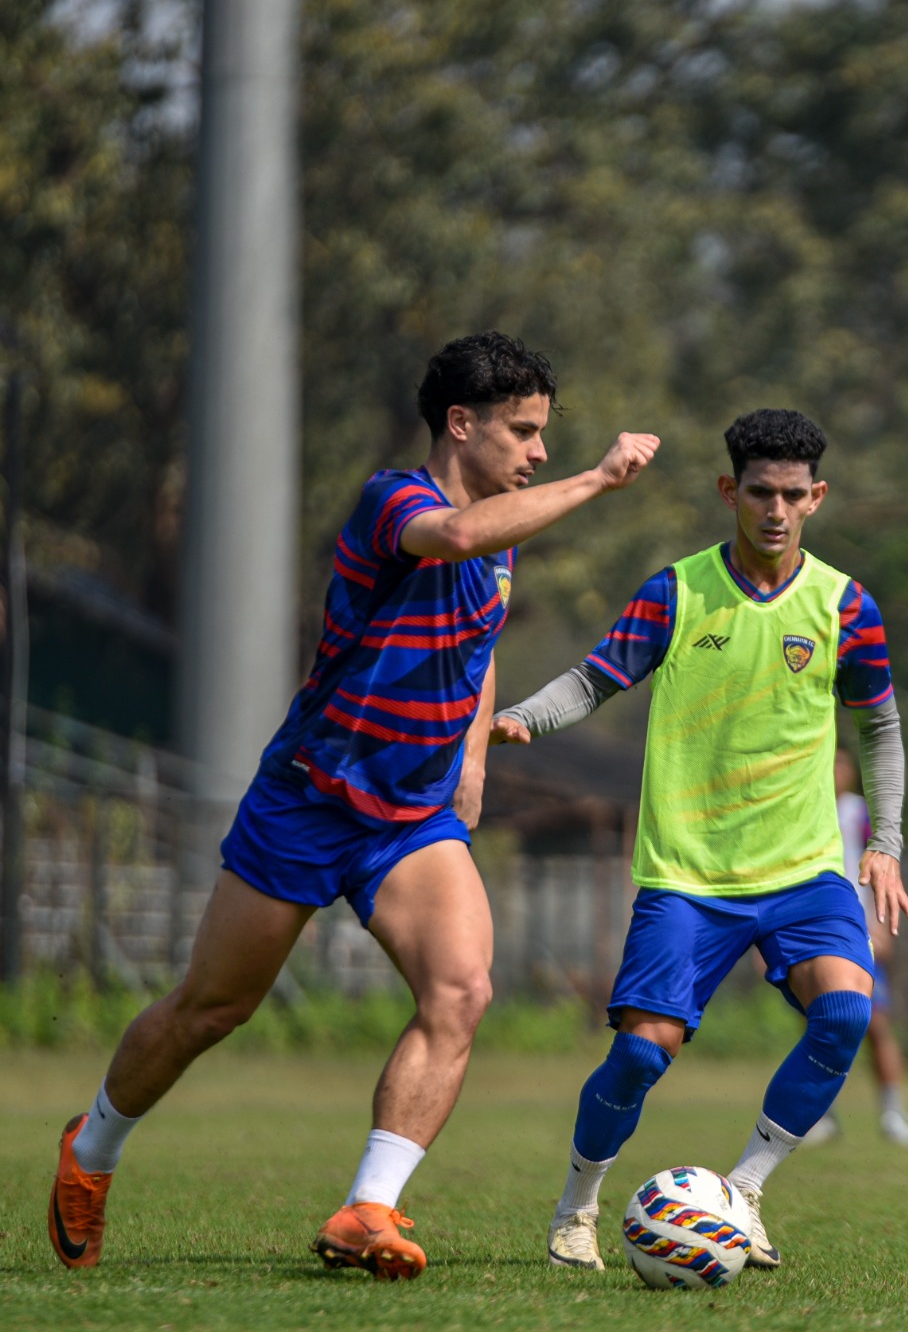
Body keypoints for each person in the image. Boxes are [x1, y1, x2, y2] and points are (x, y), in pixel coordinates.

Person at [48, 331, 659, 1279]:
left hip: (412, 818)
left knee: (461, 992)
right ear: (462, 424)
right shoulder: (398, 502)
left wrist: (472, 761)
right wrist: (597, 479)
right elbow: (453, 540)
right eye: (525, 432)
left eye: (547, 438)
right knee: (212, 1009)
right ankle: (91, 1151)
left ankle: (368, 1208)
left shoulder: (502, 529)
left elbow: (482, 638)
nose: (539, 452)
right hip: (309, 801)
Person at [490, 407, 908, 1272]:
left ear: (817, 498)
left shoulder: (846, 605)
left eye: (794, 495)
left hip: (803, 870)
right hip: (690, 874)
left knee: (845, 1011)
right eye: (760, 491)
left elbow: (880, 728)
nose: (776, 510)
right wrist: (523, 718)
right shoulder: (676, 592)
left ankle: (746, 1191)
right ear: (731, 491)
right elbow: (593, 679)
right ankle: (577, 1208)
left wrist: (888, 841)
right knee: (643, 1056)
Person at [805, 751, 908, 1147]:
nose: (833, 772)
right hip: (811, 930)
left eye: (840, 765)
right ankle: (819, 1117)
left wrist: (880, 922)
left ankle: (893, 1113)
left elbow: (881, 864)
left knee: (875, 1024)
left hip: (858, 930)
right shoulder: (802, 809)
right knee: (818, 1025)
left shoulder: (857, 814)